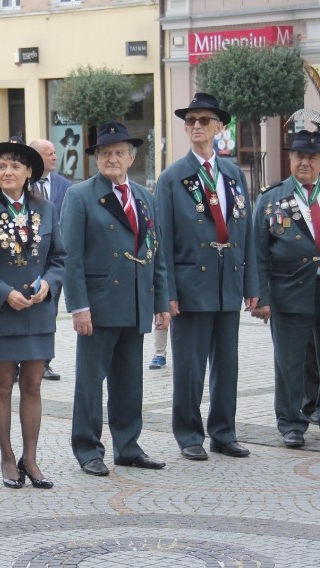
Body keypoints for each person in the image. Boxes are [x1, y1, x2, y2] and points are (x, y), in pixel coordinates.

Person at [61, 122, 170, 477]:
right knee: (91, 384)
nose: (112, 158)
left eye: (119, 152)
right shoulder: (79, 196)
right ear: (95, 159)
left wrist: (161, 301)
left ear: (131, 157)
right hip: (98, 305)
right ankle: (88, 448)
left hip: (136, 300)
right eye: (105, 153)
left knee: (129, 381)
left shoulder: (143, 195)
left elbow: (154, 251)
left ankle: (128, 446)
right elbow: (71, 258)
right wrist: (79, 306)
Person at [155, 93, 258, 461]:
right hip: (190, 284)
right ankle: (188, 434)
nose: (197, 126)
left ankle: (224, 432)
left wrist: (252, 285)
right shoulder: (172, 178)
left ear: (219, 127)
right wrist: (166, 292)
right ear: (185, 128)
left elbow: (246, 235)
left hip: (227, 281)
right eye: (191, 121)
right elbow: (162, 240)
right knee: (190, 366)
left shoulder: (233, 174)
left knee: (227, 364)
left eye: (204, 120)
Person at [0, 136, 65, 489]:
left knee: (33, 386)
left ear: (29, 172)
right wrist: (4, 294)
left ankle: (31, 458)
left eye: (15, 165)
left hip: (38, 314)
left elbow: (59, 259)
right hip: (0, 314)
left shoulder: (46, 209)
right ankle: (8, 458)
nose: (8, 171)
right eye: (2, 166)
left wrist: (49, 284)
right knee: (3, 386)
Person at [252, 129, 320, 448]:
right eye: (299, 156)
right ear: (290, 159)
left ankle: (315, 409)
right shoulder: (271, 199)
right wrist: (261, 297)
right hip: (289, 292)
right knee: (289, 362)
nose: (304, 162)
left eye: (311, 157)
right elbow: (257, 252)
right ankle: (291, 423)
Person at [29, 138, 72, 381]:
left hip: (54, 262)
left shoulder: (64, 185)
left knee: (49, 313)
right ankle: (17, 363)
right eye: (50, 153)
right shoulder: (23, 183)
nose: (55, 157)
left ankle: (45, 362)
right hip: (28, 259)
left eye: (55, 153)